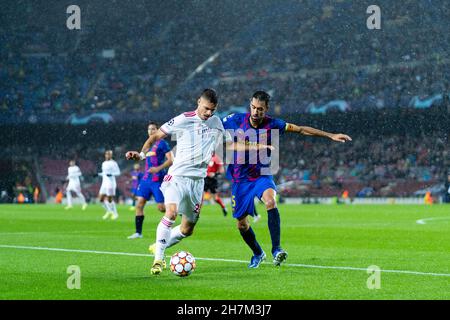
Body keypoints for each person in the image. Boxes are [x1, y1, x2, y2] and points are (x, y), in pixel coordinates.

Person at [125, 88, 271, 275]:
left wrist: (258, 145)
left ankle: (158, 245)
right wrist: (141, 154)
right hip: (177, 177)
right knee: (171, 212)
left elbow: (229, 143)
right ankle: (158, 260)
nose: (209, 113)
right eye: (206, 108)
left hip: (197, 182)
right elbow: (155, 136)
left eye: (213, 110)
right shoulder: (183, 119)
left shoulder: (216, 122)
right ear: (198, 103)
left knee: (187, 229)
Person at [222, 90, 352, 268]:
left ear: (266, 109)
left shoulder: (274, 124)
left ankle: (277, 249)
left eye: (260, 109)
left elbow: (301, 130)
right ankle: (258, 253)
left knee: (270, 201)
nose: (255, 112)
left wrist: (330, 135)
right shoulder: (235, 119)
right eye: (253, 107)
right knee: (241, 225)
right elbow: (214, 127)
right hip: (240, 179)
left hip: (261, 175)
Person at [127, 122, 173, 239]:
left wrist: (158, 168)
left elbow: (171, 160)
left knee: (161, 208)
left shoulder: (162, 143)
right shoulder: (148, 145)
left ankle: (172, 217)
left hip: (157, 180)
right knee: (139, 204)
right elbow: (140, 158)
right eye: (149, 129)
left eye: (153, 129)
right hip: (146, 180)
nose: (151, 131)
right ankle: (138, 233)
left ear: (157, 130)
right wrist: (133, 155)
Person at [204, 152, 228, 216]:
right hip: (205, 179)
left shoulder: (217, 159)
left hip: (213, 180)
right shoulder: (205, 157)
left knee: (215, 198)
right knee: (200, 197)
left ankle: (223, 207)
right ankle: (196, 213)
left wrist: (215, 174)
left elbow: (222, 170)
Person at [99, 150, 121, 220]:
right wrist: (98, 174)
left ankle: (115, 213)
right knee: (101, 199)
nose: (107, 155)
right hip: (104, 183)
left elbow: (118, 172)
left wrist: (111, 174)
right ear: (105, 155)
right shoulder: (104, 163)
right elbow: (104, 173)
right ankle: (108, 211)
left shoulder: (113, 163)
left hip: (111, 183)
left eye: (109, 154)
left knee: (109, 200)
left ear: (111, 155)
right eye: (106, 154)